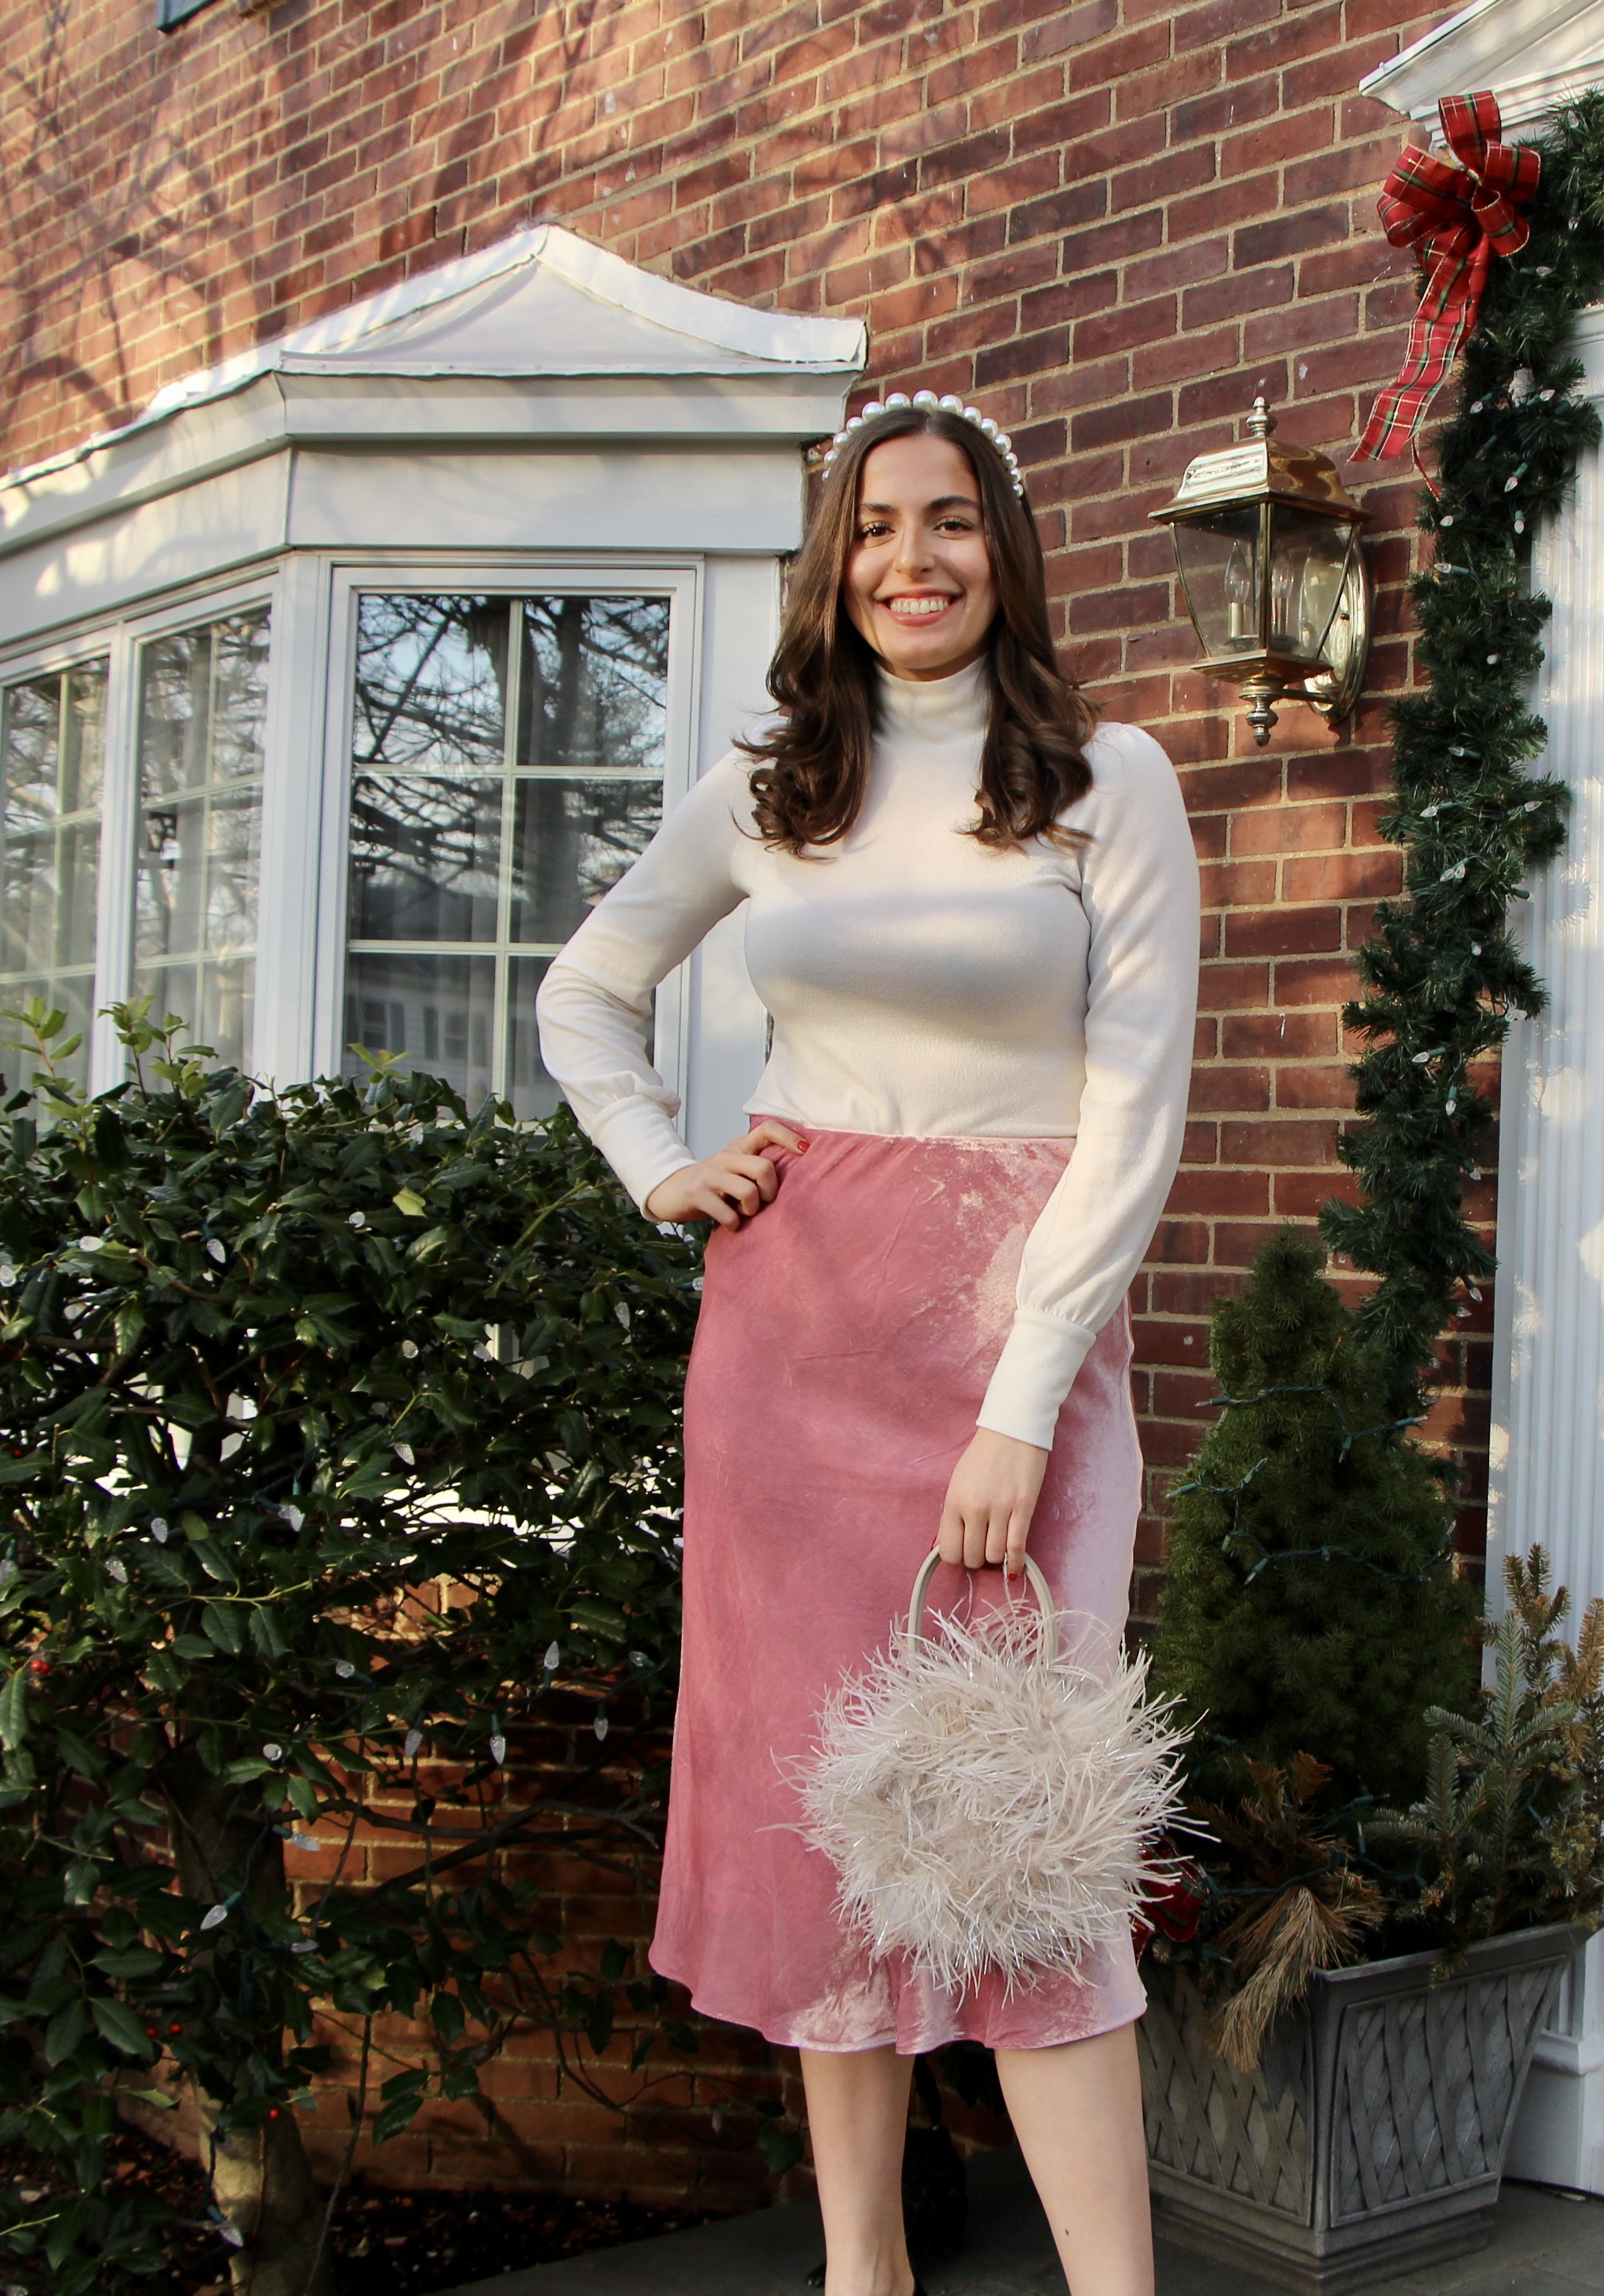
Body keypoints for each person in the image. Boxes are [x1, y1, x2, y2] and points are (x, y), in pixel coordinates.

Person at [534, 390, 1198, 2296]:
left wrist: (1020, 1411)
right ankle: (862, 2273)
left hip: (1018, 1357)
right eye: (877, 527)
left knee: (1033, 1839)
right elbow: (587, 993)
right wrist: (664, 1162)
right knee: (824, 1819)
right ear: (834, 566)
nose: (914, 558)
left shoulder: (1108, 780)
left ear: (1007, 551)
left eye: (952, 522)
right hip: (790, 1352)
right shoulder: (768, 794)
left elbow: (1134, 1117)